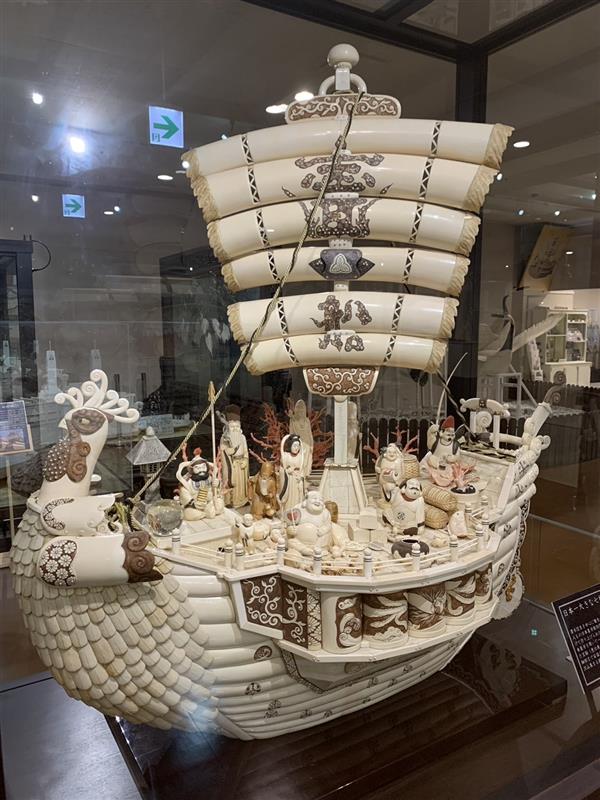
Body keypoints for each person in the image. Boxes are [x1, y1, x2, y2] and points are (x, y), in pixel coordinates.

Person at [219, 404, 250, 508]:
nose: (235, 429)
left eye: (237, 426)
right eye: (232, 427)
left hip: (242, 464)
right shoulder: (224, 438)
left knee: (242, 483)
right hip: (232, 465)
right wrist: (229, 451)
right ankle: (231, 501)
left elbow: (245, 451)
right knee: (233, 482)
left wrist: (245, 459)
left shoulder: (242, 437)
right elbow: (223, 452)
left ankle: (243, 499)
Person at [278, 434, 306, 512]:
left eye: (298, 446)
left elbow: (302, 470)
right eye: (294, 446)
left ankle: (297, 511)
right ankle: (287, 511)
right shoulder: (285, 456)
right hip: (289, 481)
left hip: (297, 481)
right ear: (290, 446)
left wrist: (301, 477)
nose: (296, 448)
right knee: (288, 498)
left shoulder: (300, 457)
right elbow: (282, 469)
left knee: (297, 497)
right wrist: (286, 471)